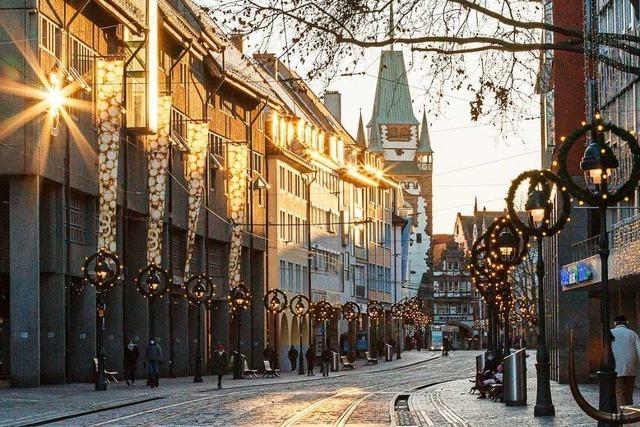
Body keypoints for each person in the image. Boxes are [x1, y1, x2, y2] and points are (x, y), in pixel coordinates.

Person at [611, 315, 640, 406]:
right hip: (631, 366)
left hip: (616, 366)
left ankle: (622, 413)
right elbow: (639, 349)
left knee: (619, 391)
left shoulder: (611, 333)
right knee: (629, 392)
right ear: (626, 323)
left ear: (615, 323)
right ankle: (629, 411)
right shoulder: (632, 333)